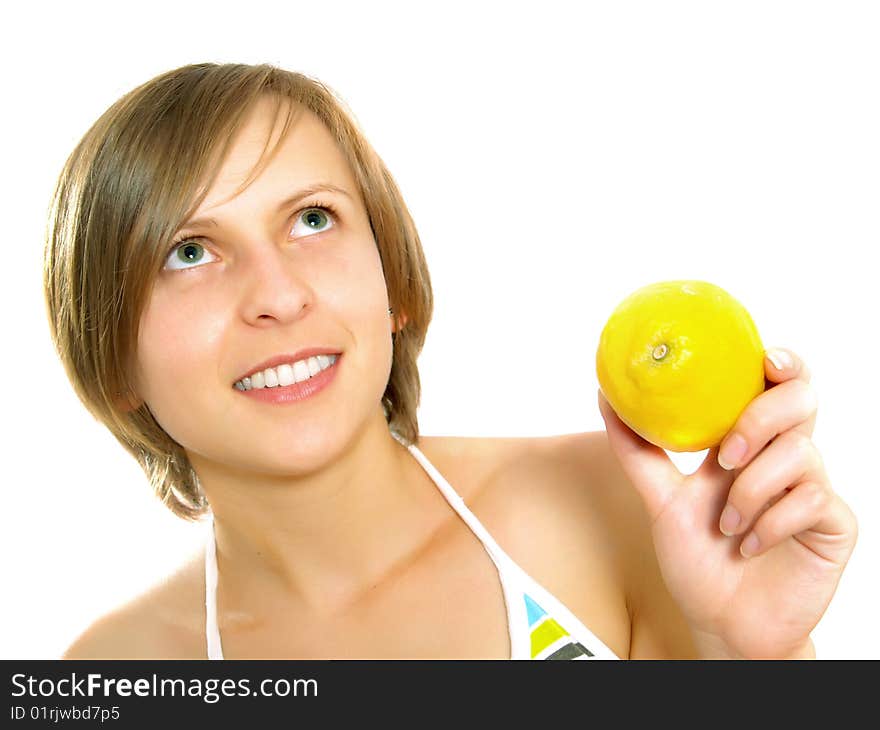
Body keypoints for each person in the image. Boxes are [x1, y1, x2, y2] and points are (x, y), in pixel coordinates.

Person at [46, 62, 858, 660]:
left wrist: (760, 658)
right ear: (111, 358)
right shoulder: (115, 672)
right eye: (188, 250)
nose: (279, 295)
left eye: (313, 219)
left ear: (392, 282)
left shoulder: (612, 512)